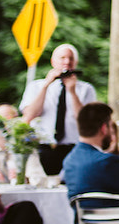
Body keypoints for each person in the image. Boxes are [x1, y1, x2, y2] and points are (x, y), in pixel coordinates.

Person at [19, 44, 96, 175]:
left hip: (73, 147)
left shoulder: (85, 89)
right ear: (53, 61)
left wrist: (72, 92)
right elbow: (30, 115)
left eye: (71, 58)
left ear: (75, 63)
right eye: (62, 58)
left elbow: (86, 122)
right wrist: (46, 85)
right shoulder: (36, 86)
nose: (67, 62)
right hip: (43, 147)